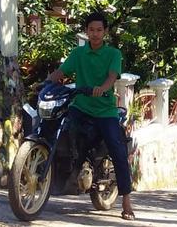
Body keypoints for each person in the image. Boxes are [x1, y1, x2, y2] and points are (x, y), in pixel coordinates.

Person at [47, 12, 135, 221]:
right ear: (86, 32)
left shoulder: (113, 54)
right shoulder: (78, 54)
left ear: (105, 32)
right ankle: (68, 175)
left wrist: (102, 88)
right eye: (91, 30)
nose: (95, 34)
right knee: (62, 132)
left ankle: (127, 201)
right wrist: (46, 83)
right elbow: (61, 72)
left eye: (99, 30)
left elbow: (112, 77)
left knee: (117, 149)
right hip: (81, 106)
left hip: (105, 111)